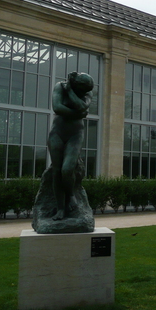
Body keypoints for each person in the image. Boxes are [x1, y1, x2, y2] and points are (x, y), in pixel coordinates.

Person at [47, 71, 94, 221]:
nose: (85, 92)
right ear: (76, 84)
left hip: (75, 135)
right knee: (56, 172)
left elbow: (82, 106)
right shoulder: (59, 87)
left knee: (67, 169)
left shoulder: (85, 93)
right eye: (82, 89)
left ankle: (71, 195)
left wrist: (69, 92)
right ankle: (60, 209)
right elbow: (57, 107)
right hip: (57, 133)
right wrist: (77, 114)